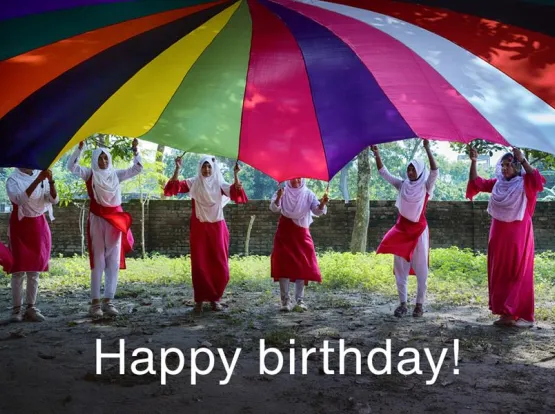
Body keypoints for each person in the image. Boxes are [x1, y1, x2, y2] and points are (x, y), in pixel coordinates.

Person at [466, 147, 545, 328]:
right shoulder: (498, 183)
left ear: (517, 167)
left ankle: (515, 312)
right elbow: (476, 182)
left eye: (509, 165)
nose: (504, 169)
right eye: (503, 165)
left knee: (516, 271)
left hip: (519, 234)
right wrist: (474, 161)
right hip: (498, 234)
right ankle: (504, 311)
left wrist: (523, 159)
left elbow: (538, 180)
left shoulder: (525, 182)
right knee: (499, 271)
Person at [67, 139, 143, 317]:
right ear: (95, 160)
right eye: (100, 159)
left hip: (115, 220)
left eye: (105, 159)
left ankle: (108, 300)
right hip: (97, 219)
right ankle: (95, 303)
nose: (103, 162)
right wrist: (79, 149)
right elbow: (71, 166)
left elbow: (138, 168)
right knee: (98, 259)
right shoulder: (89, 174)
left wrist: (135, 150)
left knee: (114, 261)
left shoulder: (116, 175)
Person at [164, 155, 247, 313]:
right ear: (200, 167)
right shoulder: (194, 182)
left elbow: (236, 194)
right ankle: (199, 300)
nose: (207, 170)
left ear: (213, 168)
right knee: (199, 264)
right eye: (204, 166)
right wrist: (177, 169)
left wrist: (236, 174)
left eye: (209, 167)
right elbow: (173, 188)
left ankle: (216, 298)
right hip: (199, 227)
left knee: (220, 265)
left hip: (218, 228)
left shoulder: (219, 183)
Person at [371, 139, 439, 317]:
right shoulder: (402, 185)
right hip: (401, 230)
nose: (410, 172)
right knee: (400, 267)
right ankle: (403, 304)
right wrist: (377, 154)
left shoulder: (426, 187)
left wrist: (427, 148)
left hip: (419, 232)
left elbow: (434, 171)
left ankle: (419, 305)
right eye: (408, 169)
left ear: (419, 171)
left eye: (413, 169)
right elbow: (383, 172)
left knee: (421, 268)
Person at [6, 167, 58, 322]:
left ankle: (31, 307)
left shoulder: (41, 175)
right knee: (19, 269)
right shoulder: (13, 180)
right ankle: (16, 310)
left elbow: (54, 200)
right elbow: (19, 199)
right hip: (20, 226)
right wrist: (38, 180)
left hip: (39, 225)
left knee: (34, 269)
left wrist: (50, 181)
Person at [270, 178, 329, 311]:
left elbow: (316, 211)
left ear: (302, 179)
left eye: (299, 177)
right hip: (284, 233)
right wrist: (279, 197)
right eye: (293, 177)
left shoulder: (308, 193)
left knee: (303, 266)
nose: (295, 180)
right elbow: (274, 208)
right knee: (283, 266)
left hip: (302, 234)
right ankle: (285, 301)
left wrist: (322, 204)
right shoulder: (282, 191)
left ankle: (300, 300)